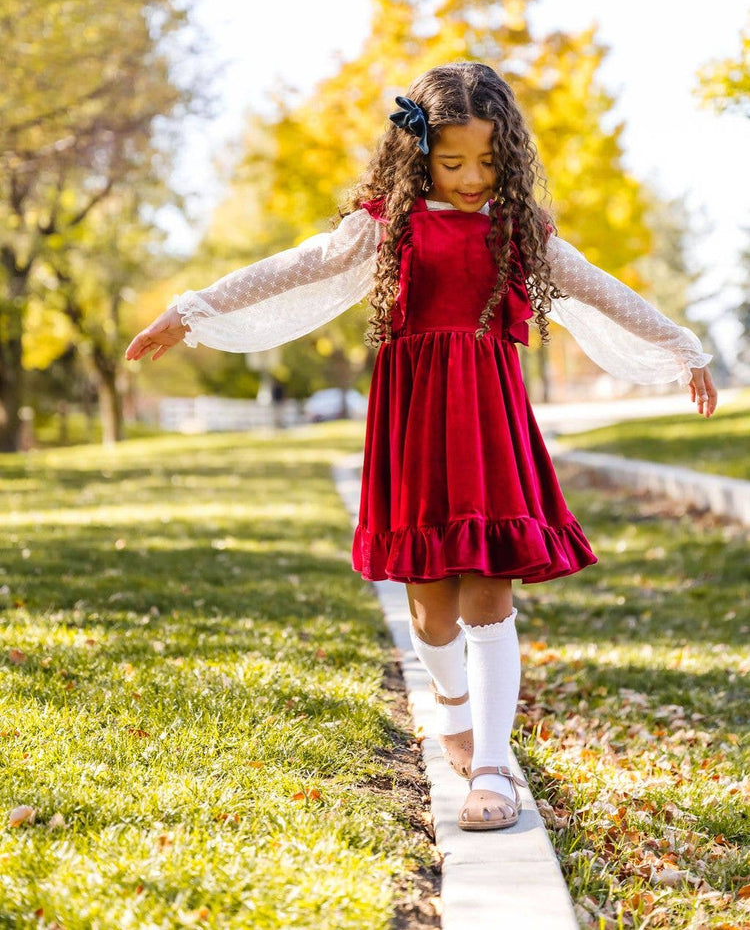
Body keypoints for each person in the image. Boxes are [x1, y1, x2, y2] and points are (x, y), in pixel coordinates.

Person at [125, 62, 717, 833]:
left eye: (489, 162)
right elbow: (296, 265)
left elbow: (599, 285)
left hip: (490, 424)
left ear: (509, 154)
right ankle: (453, 710)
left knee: (488, 589)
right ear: (419, 154)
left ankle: (495, 764)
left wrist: (682, 345)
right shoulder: (387, 225)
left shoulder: (517, 229)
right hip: (415, 426)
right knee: (433, 608)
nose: (473, 178)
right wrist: (191, 309)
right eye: (453, 162)